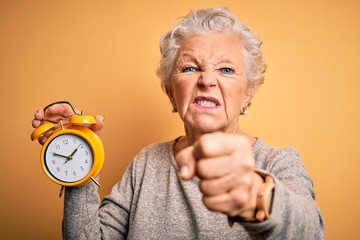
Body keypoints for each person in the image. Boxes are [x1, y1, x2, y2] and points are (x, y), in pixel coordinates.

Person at [32, 7, 325, 239]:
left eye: (225, 69)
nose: (206, 80)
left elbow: (311, 231)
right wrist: (78, 156)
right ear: (171, 92)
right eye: (189, 67)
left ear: (249, 93)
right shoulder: (146, 163)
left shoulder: (278, 162)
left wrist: (256, 196)